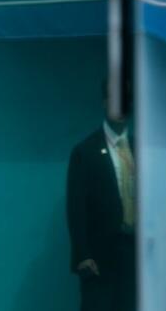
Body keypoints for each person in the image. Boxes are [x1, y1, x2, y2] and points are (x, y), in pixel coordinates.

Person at [66, 81, 136, 311]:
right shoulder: (85, 152)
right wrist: (82, 255)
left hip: (137, 254)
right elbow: (76, 208)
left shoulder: (143, 149)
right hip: (100, 258)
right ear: (105, 103)